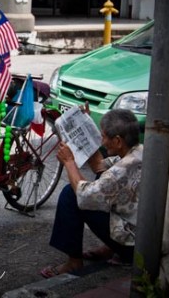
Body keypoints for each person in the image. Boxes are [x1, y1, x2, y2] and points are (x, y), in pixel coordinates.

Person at [40, 108, 143, 278]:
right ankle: (111, 248)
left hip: (133, 247)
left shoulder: (118, 173)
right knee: (98, 176)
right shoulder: (137, 151)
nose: (101, 142)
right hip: (140, 234)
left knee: (70, 195)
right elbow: (99, 166)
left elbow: (84, 196)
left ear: (117, 141)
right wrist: (83, 126)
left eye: (103, 137)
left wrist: (69, 161)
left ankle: (74, 262)